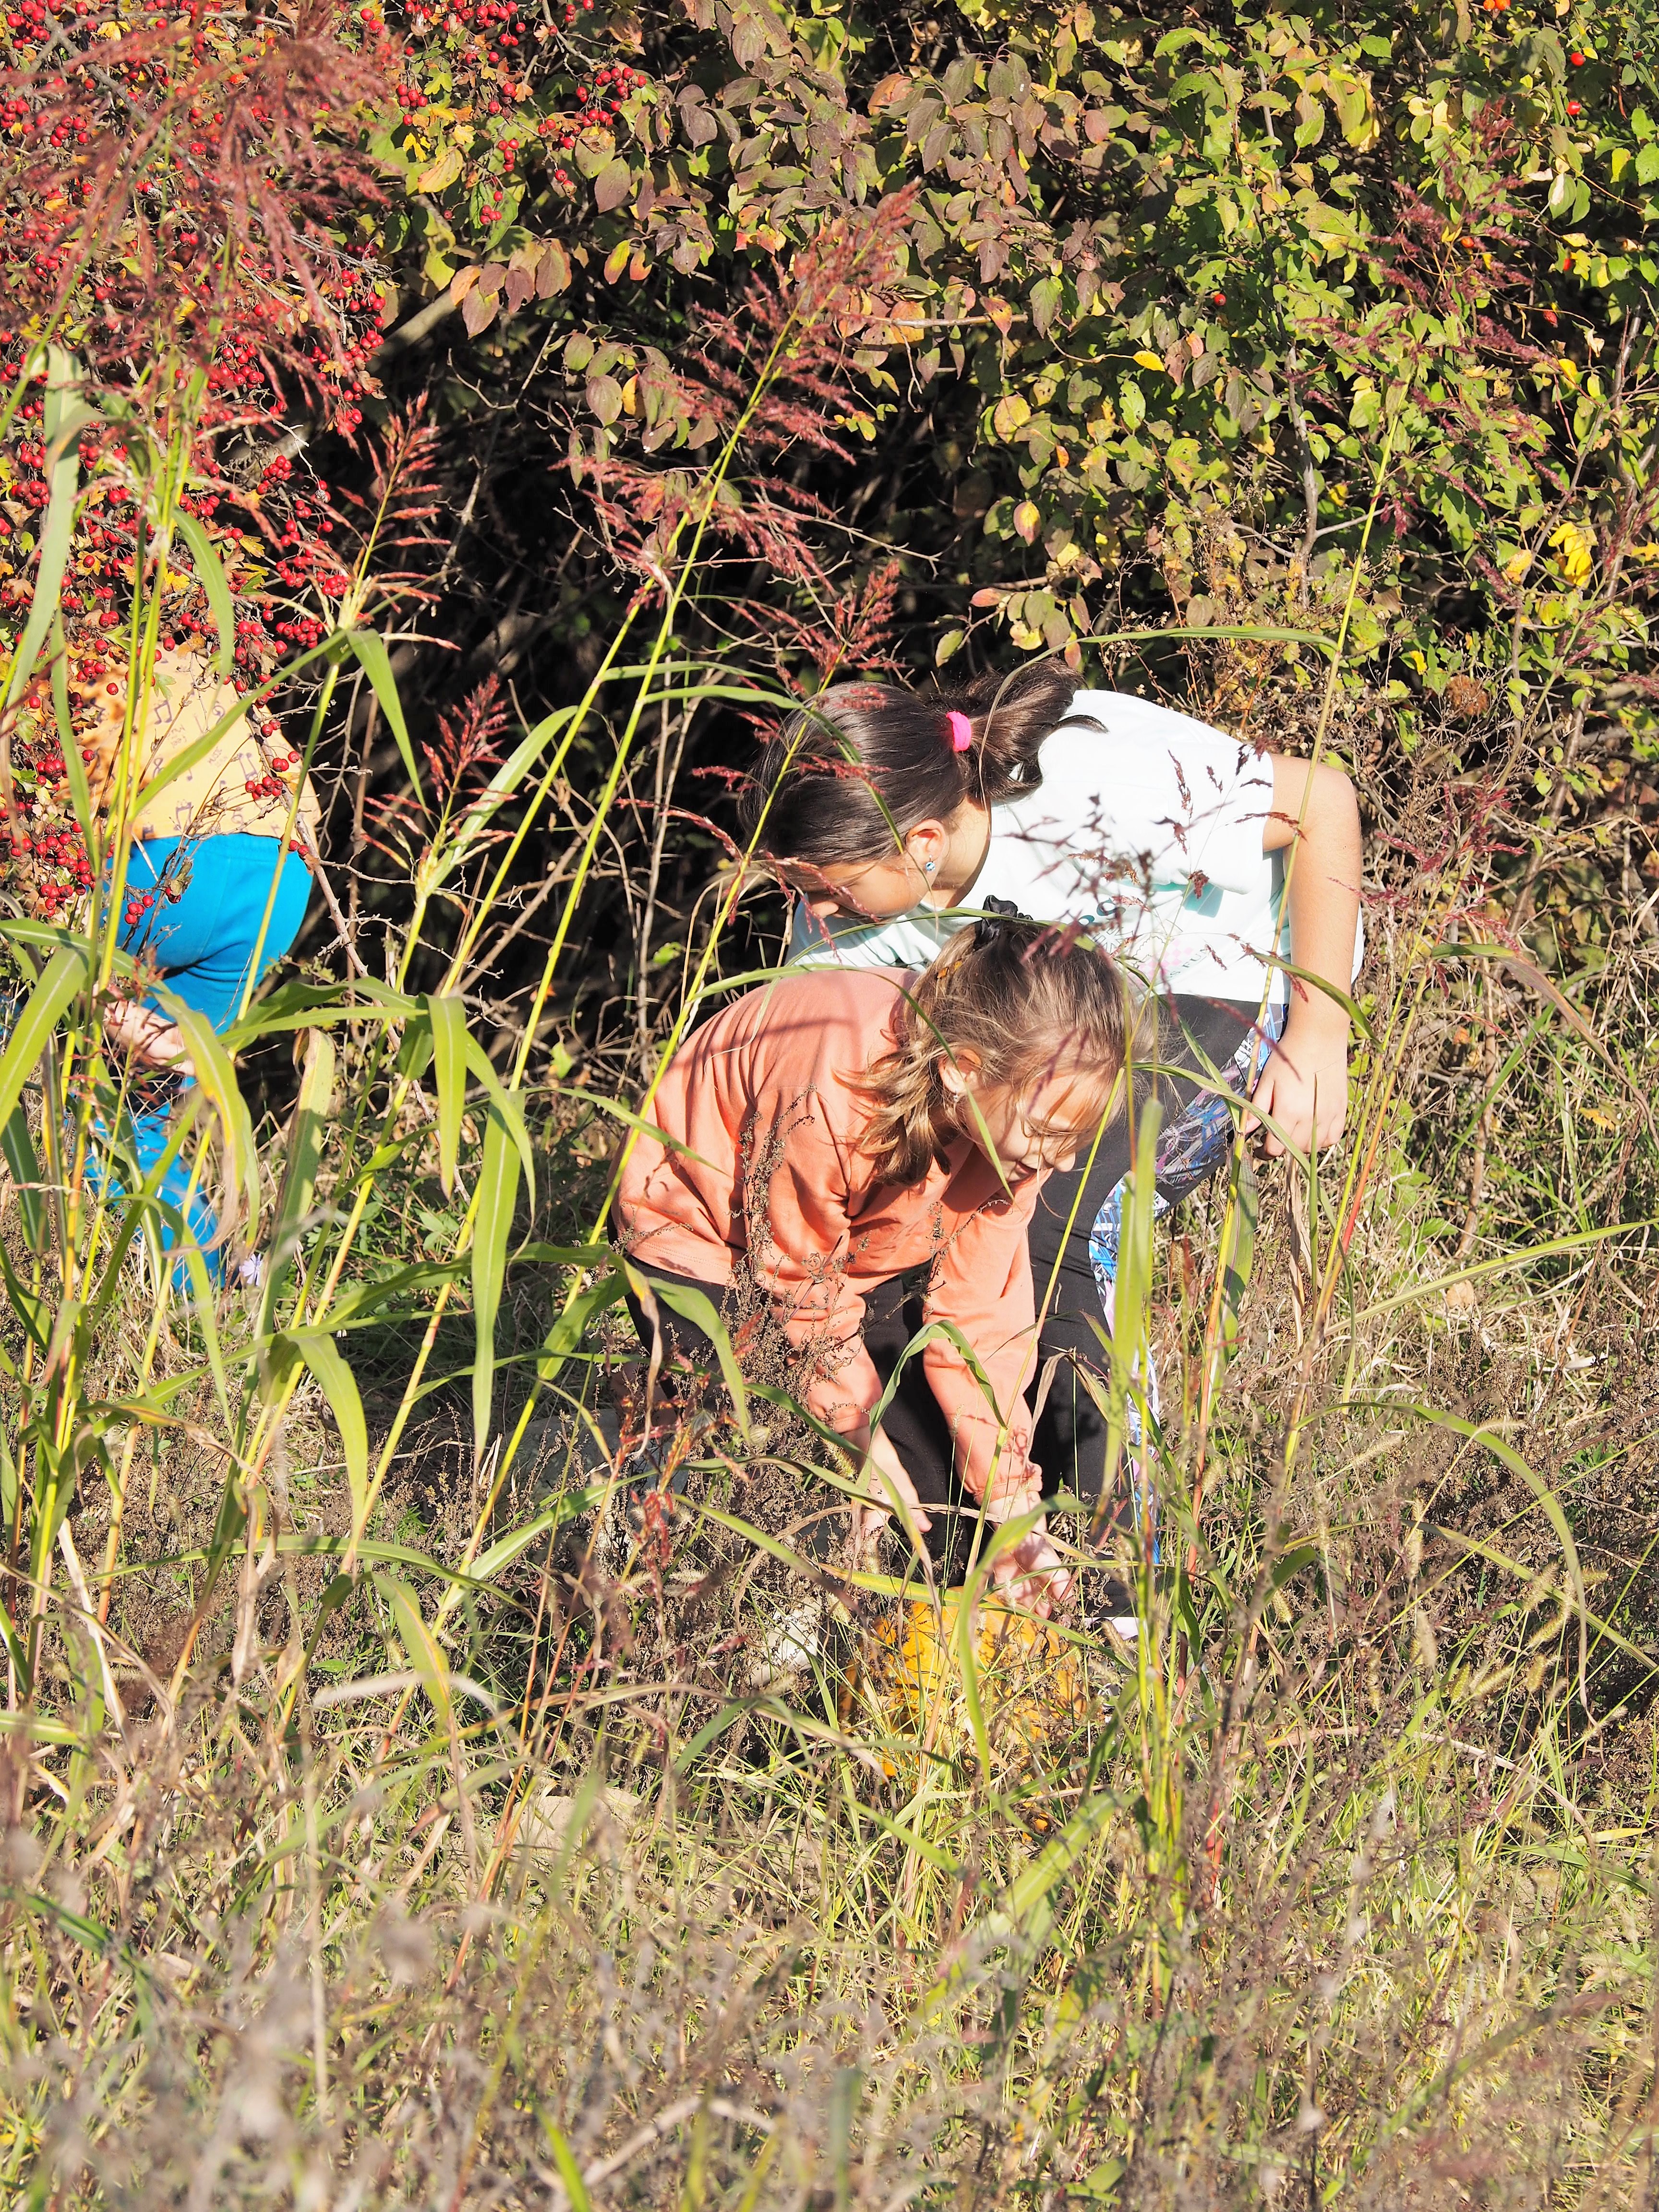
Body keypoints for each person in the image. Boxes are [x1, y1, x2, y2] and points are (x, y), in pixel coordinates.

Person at [735, 663, 1364, 1510]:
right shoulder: (839, 927)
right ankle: (961, 1520)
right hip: (1042, 1051)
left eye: (829, 886)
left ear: (923, 842)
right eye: (799, 885)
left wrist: (1321, 1036)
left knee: (1058, 1220)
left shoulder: (1089, 781)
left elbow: (1324, 802)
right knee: (917, 1249)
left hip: (1230, 984)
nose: (814, 909)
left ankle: (1118, 1544)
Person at [614, 916, 1133, 1615]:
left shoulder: (1017, 1123)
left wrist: (1011, 1500)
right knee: (785, 1472)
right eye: (1049, 1135)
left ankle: (904, 1649)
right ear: (963, 1069)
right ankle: (674, 1565)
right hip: (702, 1235)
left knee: (940, 1518)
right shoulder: (836, 1086)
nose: (1064, 1162)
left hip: (854, 1261)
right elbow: (798, 1282)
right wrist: (859, 1438)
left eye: (1078, 1138)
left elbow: (978, 1316)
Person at [82, 647, 318, 1281]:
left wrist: (109, 1008)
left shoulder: (76, 645)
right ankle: (204, 1290)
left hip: (164, 858)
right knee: (140, 1110)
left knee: (34, 1029)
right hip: (280, 875)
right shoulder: (199, 643)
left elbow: (38, 871)